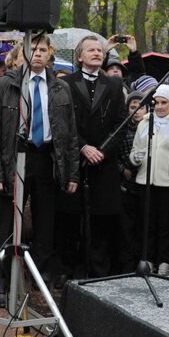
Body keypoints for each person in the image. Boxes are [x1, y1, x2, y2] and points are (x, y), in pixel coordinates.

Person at [0, 31, 79, 307]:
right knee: (9, 224)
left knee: (45, 224)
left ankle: (37, 278)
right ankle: (2, 283)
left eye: (42, 48)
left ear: (50, 53)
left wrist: (72, 172)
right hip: (15, 159)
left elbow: (70, 133)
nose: (37, 52)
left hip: (47, 159)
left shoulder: (60, 88)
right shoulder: (6, 84)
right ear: (23, 52)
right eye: (32, 47)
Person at [61, 34, 127, 280]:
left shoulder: (113, 85)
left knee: (101, 222)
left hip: (104, 162)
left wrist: (102, 150)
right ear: (80, 56)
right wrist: (83, 147)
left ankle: (99, 272)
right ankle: (69, 271)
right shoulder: (66, 83)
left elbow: (121, 122)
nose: (97, 53)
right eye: (91, 50)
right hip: (75, 161)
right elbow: (62, 122)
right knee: (70, 219)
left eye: (100, 50)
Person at [130, 84, 169, 274]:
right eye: (156, 103)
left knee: (166, 224)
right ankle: (147, 258)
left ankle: (165, 260)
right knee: (146, 223)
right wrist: (134, 158)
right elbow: (135, 148)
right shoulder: (144, 122)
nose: (159, 107)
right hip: (145, 180)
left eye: (163, 103)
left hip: (168, 181)